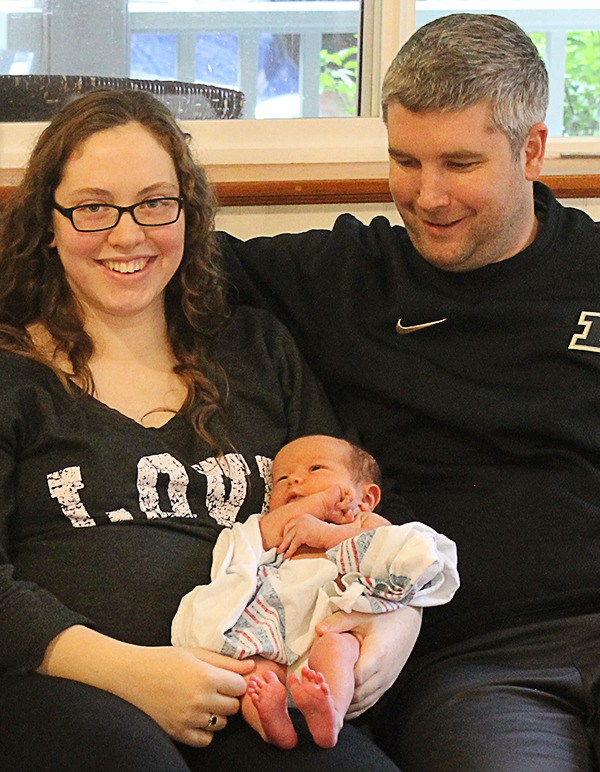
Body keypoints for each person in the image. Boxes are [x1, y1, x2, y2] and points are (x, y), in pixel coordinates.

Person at [218, 12, 600, 772]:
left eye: (459, 163)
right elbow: (154, 256)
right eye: (405, 161)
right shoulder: (345, 276)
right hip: (476, 668)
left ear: (531, 150)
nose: (427, 197)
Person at [0, 88, 408, 771]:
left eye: (155, 203)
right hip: (63, 686)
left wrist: (394, 623)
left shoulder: (257, 349)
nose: (127, 234)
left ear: (188, 215)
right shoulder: (13, 372)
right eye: (94, 207)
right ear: (49, 222)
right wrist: (133, 673)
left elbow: (352, 504)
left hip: (260, 688)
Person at [172, 434, 458, 750]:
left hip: (329, 621)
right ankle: (271, 723)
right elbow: (259, 535)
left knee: (337, 649)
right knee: (255, 677)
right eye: (281, 478)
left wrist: (326, 534)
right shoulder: (277, 524)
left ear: (363, 498)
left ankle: (330, 711)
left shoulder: (366, 521)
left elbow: (390, 554)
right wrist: (318, 502)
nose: (294, 479)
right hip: (273, 624)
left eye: (315, 469)